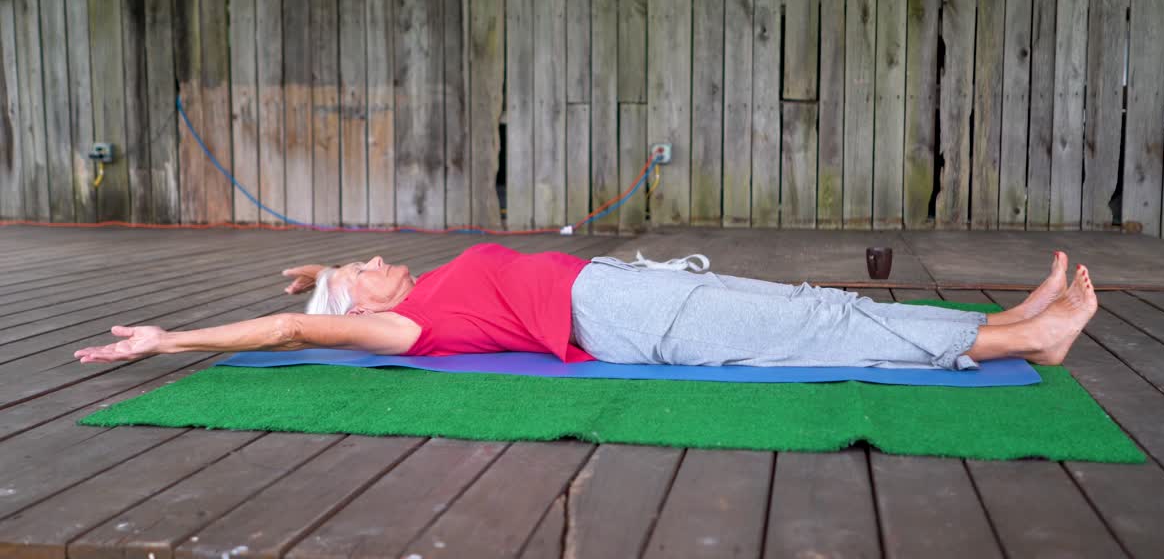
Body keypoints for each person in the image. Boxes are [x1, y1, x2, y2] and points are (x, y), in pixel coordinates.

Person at [73, 244, 1097, 370]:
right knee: (810, 331)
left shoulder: (416, 285)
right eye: (364, 266)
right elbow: (295, 327)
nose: (380, 257)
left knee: (805, 300)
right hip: (619, 322)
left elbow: (309, 295)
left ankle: (1014, 327)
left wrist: (314, 269)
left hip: (621, 283)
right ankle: (1019, 342)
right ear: (362, 306)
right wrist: (173, 337)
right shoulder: (398, 324)